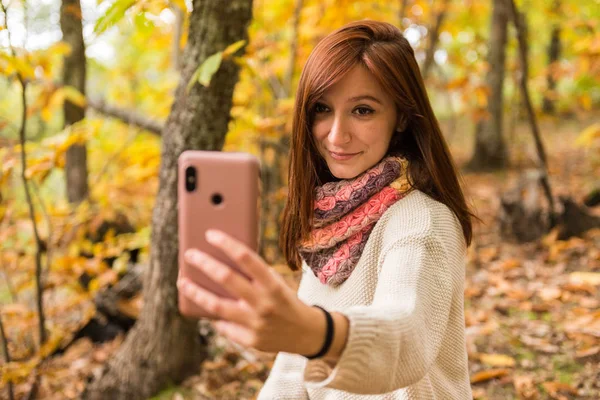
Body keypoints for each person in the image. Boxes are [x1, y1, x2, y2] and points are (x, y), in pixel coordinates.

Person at [177, 20, 476, 399]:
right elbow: (291, 373)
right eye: (322, 109)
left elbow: (406, 340)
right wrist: (301, 334)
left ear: (401, 116)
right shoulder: (329, 224)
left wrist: (314, 332)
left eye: (363, 111)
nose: (336, 135)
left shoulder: (421, 220)